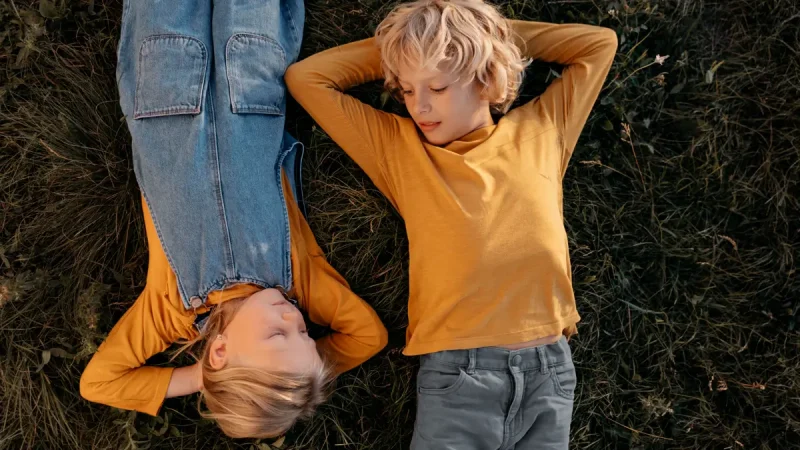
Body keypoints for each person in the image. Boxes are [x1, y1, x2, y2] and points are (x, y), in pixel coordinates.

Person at [285, 0, 617, 448]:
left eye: (437, 87)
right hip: (459, 375)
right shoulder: (400, 150)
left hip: (548, 372)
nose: (418, 106)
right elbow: (308, 79)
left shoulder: (542, 128)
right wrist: (407, 47)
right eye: (404, 89)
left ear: (484, 78)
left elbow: (598, 46)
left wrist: (482, 36)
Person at [79, 0, 387, 439]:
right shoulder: (304, 285)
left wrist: (201, 379)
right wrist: (297, 372)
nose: (295, 322)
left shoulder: (168, 312)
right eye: (306, 336)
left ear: (219, 352)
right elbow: (368, 338)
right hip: (249, 87)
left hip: (166, 94)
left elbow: (99, 383)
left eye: (279, 338)